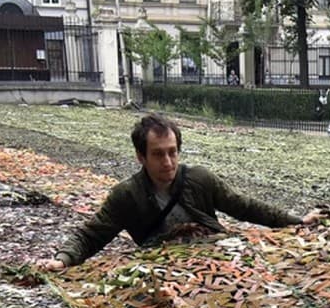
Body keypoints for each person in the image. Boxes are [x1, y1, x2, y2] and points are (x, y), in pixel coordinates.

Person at [38, 113, 307, 270]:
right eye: (157, 155)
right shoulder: (127, 195)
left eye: (172, 152)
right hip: (164, 268)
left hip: (215, 259)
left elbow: (244, 206)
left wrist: (297, 222)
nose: (167, 162)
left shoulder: (199, 179)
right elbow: (92, 234)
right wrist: (63, 260)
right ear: (140, 157)